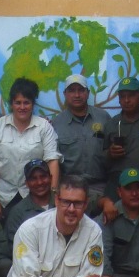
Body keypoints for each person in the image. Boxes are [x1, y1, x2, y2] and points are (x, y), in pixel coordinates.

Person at [0, 77, 60, 218]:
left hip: (36, 196)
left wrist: (53, 195)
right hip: (3, 197)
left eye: (26, 103)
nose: (22, 107)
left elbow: (52, 160)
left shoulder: (44, 127)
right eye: (18, 103)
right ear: (11, 104)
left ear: (33, 104)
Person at [99, 76, 139, 222]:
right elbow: (102, 162)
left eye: (131, 95)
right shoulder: (112, 124)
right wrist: (110, 154)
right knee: (112, 224)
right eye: (122, 96)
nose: (126, 100)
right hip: (117, 186)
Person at [50, 74, 112, 214]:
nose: (76, 95)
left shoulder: (103, 117)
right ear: (65, 94)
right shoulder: (56, 123)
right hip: (70, 190)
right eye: (71, 91)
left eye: (81, 90)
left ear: (88, 93)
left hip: (101, 187)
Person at [4, 158, 56, 241]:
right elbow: (13, 246)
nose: (39, 182)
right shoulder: (17, 212)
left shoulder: (62, 202)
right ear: (27, 183)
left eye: (43, 177)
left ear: (51, 178)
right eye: (33, 178)